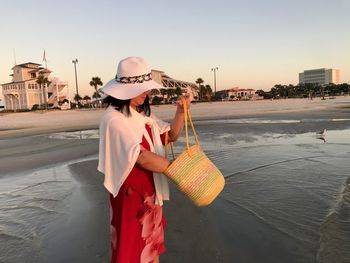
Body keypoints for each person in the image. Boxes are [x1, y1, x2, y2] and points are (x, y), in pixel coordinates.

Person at [98, 57, 190, 263]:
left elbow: (171, 136)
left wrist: (181, 111)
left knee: (150, 249)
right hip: (131, 199)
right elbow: (141, 157)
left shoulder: (142, 114)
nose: (147, 91)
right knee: (131, 253)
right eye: (142, 87)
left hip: (150, 194)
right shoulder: (113, 119)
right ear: (126, 90)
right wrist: (180, 171)